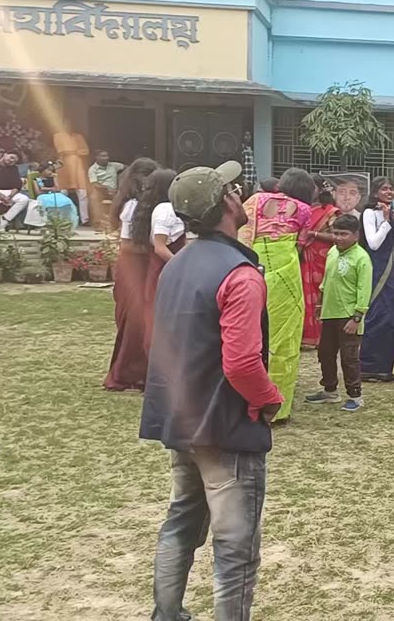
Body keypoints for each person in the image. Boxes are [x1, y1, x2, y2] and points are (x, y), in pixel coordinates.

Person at [139, 160, 284, 621]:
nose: (240, 195)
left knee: (182, 520)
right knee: (235, 546)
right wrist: (268, 398)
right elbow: (242, 361)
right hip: (225, 425)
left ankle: (166, 612)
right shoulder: (241, 274)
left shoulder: (176, 265)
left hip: (182, 417)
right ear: (226, 202)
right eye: (234, 189)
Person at [243, 167, 314, 422]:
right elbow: (301, 243)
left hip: (254, 269)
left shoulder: (255, 201)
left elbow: (243, 237)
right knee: (285, 337)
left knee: (250, 335)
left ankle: (247, 402)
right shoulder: (305, 210)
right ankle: (278, 407)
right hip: (287, 275)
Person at [305, 214, 372, 412]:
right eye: (335, 233)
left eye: (344, 234)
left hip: (349, 315)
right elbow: (326, 282)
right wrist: (319, 305)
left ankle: (355, 396)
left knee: (349, 358)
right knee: (325, 353)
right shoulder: (333, 251)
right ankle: (330, 391)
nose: (339, 238)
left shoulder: (361, 258)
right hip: (329, 312)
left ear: (356, 235)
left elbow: (364, 289)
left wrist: (357, 317)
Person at [102, 157, 159, 392]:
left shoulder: (151, 206)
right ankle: (126, 373)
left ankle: (145, 371)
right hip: (134, 266)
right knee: (135, 322)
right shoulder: (133, 206)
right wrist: (156, 250)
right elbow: (126, 245)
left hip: (146, 266)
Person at [360, 177, 394, 381]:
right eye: (384, 189)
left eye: (391, 188)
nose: (389, 192)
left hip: (391, 268)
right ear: (375, 193)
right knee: (378, 315)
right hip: (375, 269)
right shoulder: (369, 213)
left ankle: (393, 364)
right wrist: (387, 221)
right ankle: (370, 366)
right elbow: (373, 243)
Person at [134, 169, 182, 354]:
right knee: (161, 316)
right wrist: (182, 265)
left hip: (167, 267)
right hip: (165, 268)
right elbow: (160, 247)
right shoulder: (165, 211)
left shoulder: (167, 208)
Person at [300, 176, 340, 348]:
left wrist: (313, 234)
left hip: (322, 259)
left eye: (313, 187)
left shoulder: (331, 211)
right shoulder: (300, 209)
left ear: (320, 189)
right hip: (302, 257)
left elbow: (338, 236)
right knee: (302, 293)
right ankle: (305, 335)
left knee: (320, 294)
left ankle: (322, 336)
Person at [87, 150, 125, 231]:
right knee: (93, 199)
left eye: (107, 156)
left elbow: (128, 168)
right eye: (103, 156)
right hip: (100, 191)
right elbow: (95, 184)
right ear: (96, 157)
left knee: (123, 199)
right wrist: (107, 189)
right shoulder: (93, 169)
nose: (106, 158)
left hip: (114, 191)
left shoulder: (114, 165)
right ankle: (98, 224)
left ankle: (119, 224)